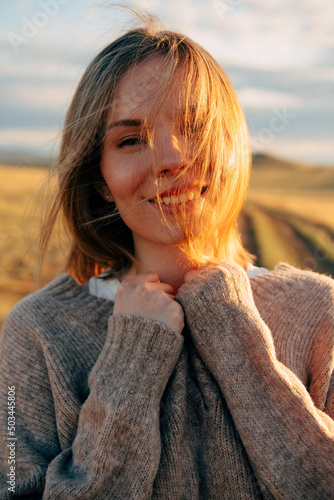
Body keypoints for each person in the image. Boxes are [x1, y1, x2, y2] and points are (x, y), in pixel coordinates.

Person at [0, 18, 333, 500]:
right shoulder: (37, 332)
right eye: (130, 140)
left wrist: (230, 326)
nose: (170, 158)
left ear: (232, 144)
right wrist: (132, 358)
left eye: (194, 126)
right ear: (100, 180)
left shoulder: (318, 312)